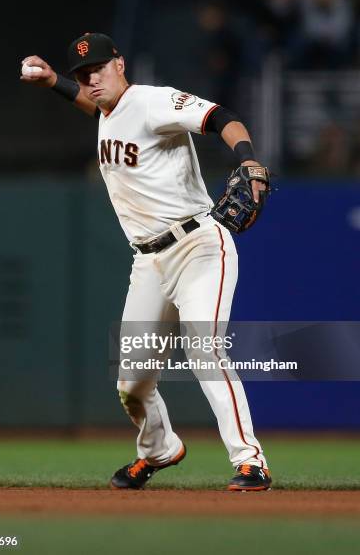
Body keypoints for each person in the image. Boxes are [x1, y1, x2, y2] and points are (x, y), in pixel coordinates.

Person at [21, 32, 271, 491]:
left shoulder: (153, 102)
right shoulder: (107, 108)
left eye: (98, 67)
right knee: (132, 382)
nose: (91, 79)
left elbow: (221, 117)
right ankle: (159, 449)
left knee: (204, 347)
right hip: (148, 263)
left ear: (119, 63)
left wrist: (250, 161)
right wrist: (56, 81)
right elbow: (96, 108)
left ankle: (250, 461)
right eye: (83, 74)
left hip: (197, 246)